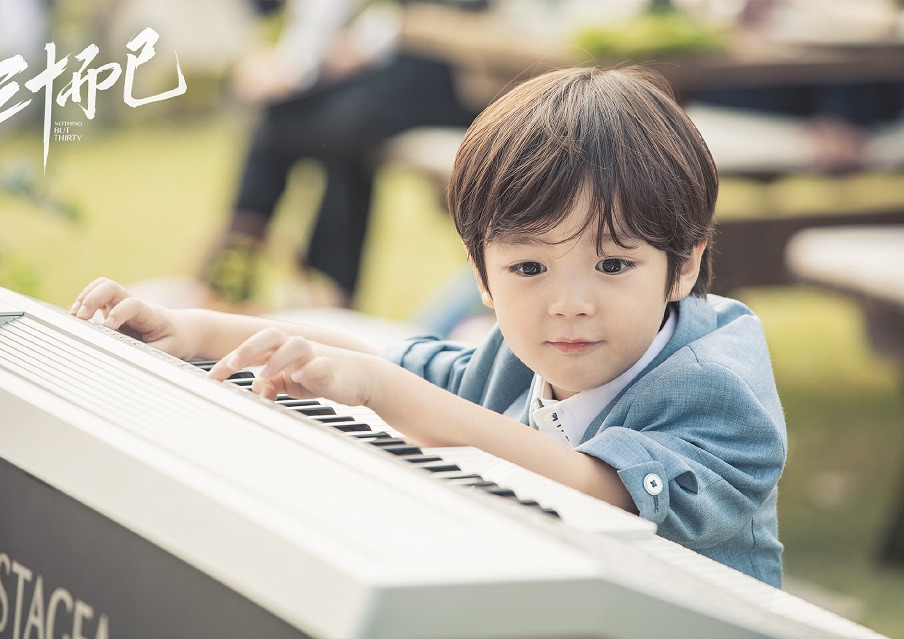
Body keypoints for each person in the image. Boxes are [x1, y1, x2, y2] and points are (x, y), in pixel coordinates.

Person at [72, 66, 787, 587]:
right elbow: (388, 358)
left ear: (684, 265)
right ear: (481, 275)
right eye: (529, 269)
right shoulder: (515, 353)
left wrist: (383, 389)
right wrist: (193, 329)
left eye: (612, 264)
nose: (570, 303)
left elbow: (596, 486)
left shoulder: (718, 387)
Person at [203, 0, 477, 306]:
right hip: (361, 80)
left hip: (441, 71)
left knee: (320, 133)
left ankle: (242, 257)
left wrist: (301, 64)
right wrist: (284, 62)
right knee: (287, 124)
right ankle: (291, 273)